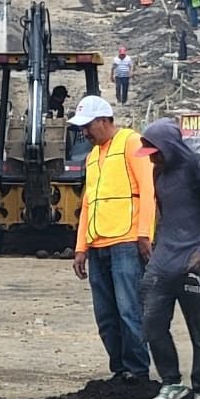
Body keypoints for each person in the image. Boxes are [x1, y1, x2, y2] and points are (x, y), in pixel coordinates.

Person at [135, 118, 200, 399]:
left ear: (171, 146)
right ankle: (171, 382)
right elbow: (166, 213)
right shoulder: (158, 172)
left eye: (156, 152)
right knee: (151, 323)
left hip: (197, 264)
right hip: (165, 261)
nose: (152, 158)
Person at [70, 96, 155, 383]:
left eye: (87, 126)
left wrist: (145, 233)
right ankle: (119, 369)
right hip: (98, 245)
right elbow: (88, 203)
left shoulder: (133, 142)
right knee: (106, 315)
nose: (84, 133)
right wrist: (81, 247)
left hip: (126, 242)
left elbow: (148, 189)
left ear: (104, 121)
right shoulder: (93, 156)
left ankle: (138, 371)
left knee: (129, 309)